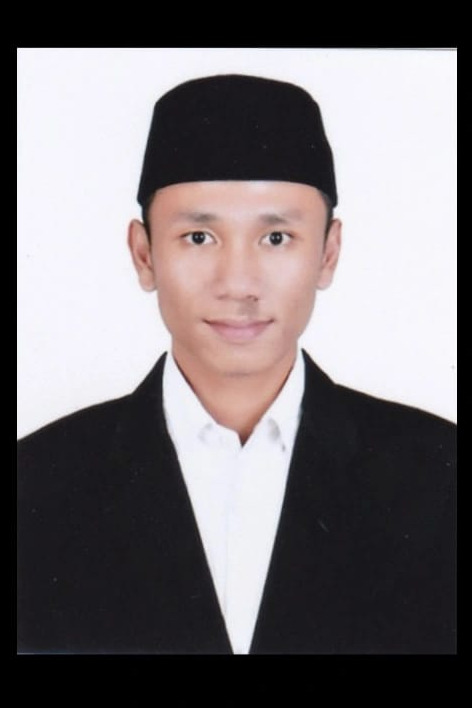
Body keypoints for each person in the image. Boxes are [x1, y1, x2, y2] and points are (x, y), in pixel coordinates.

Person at [17, 74, 456, 655]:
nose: (238, 284)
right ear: (144, 255)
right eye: (199, 237)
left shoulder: (439, 478)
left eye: (276, 238)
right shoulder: (36, 486)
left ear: (328, 253)